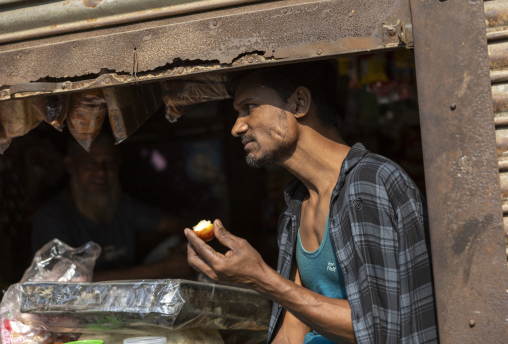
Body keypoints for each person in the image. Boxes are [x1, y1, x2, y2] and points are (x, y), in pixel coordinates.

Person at [185, 61, 438, 343]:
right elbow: (292, 332)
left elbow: (379, 330)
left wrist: (262, 279)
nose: (237, 126)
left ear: (299, 103)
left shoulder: (370, 183)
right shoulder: (295, 207)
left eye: (250, 107)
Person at [32, 132, 194, 281]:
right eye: (90, 164)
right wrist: (159, 269)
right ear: (71, 166)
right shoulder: (52, 218)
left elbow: (178, 225)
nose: (101, 172)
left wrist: (181, 248)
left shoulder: (124, 206)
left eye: (109, 164)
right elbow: (66, 282)